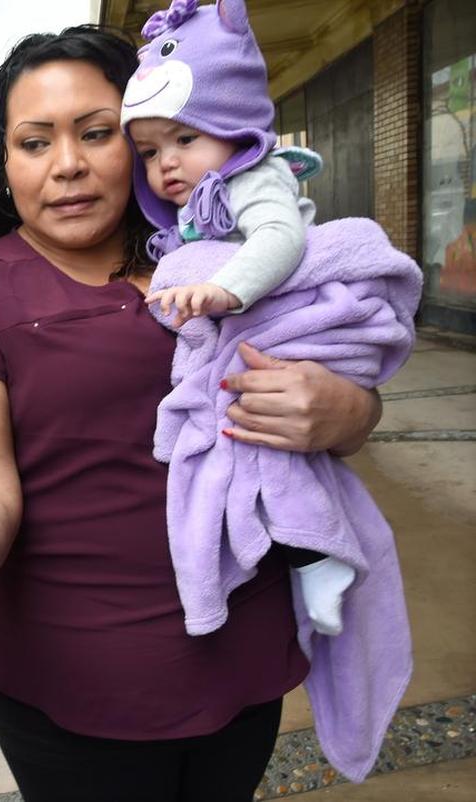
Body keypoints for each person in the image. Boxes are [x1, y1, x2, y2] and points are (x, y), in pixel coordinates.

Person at [0, 23, 384, 802]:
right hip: (71, 684)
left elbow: (337, 360)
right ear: (4, 163)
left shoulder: (228, 257)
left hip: (244, 647)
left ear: (145, 142)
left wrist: (349, 413)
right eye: (35, 142)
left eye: (97, 132)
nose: (69, 164)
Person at [120, 0, 358, 637]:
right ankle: (305, 553)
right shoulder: (202, 197)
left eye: (185, 138)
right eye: (147, 151)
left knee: (266, 451)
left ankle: (316, 552)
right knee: (253, 447)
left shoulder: (251, 176)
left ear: (234, 123)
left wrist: (224, 290)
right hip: (253, 324)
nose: (165, 163)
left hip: (286, 316)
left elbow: (279, 240)